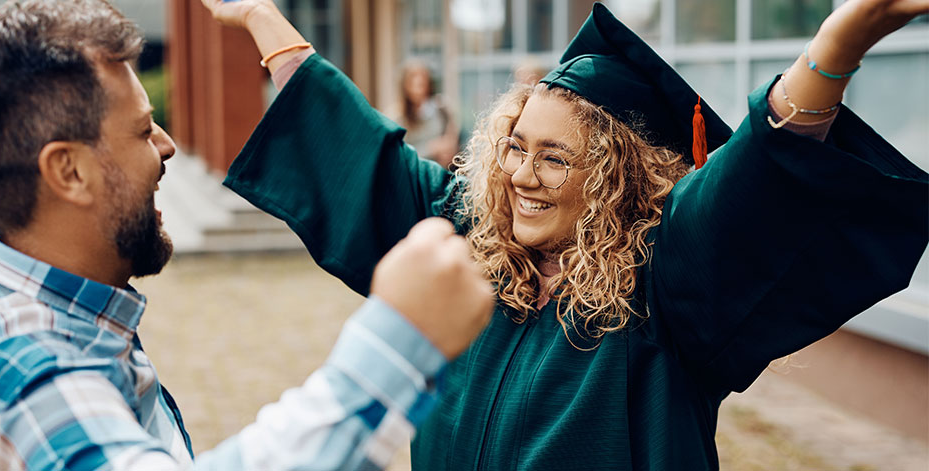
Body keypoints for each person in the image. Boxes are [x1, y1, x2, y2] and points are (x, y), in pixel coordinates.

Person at [203, 0, 929, 469]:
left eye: (555, 158)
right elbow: (364, 157)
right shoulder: (470, 244)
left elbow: (755, 186)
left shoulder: (665, 279)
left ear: (617, 176)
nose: (520, 174)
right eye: (515, 146)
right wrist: (265, 19)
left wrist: (837, 44)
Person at [0, 1, 493, 470]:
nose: (167, 146)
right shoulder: (32, 382)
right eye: (142, 129)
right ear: (69, 171)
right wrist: (398, 341)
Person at [390, 60, 459, 168]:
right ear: (405, 85)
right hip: (415, 177)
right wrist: (431, 149)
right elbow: (397, 156)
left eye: (423, 79)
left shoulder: (441, 109)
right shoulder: (397, 118)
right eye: (413, 78)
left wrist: (448, 150)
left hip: (442, 173)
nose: (419, 82)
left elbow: (452, 137)